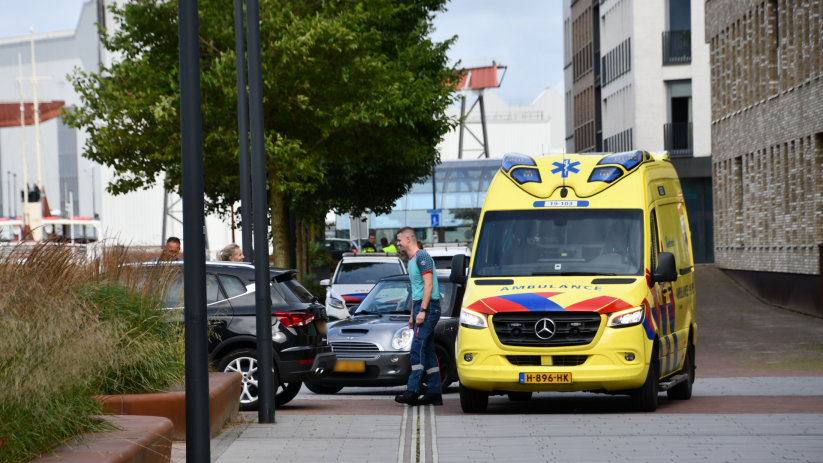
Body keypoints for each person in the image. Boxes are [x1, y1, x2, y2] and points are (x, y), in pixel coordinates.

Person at [394, 227, 442, 406]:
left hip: (428, 308)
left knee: (417, 349)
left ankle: (412, 391)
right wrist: (412, 315)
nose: (398, 244)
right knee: (428, 352)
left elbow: (428, 286)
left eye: (399, 240)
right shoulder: (412, 260)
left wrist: (422, 311)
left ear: (408, 239)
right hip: (421, 308)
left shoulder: (422, 257)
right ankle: (434, 393)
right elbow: (417, 290)